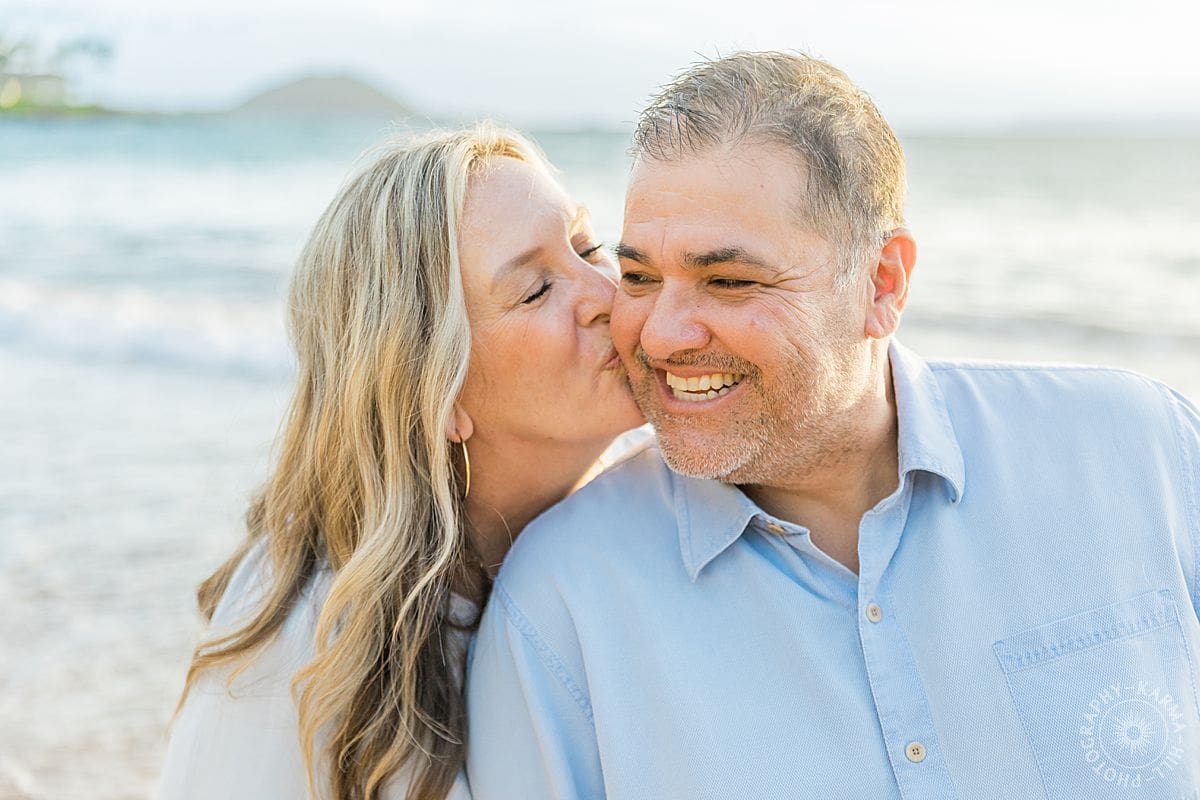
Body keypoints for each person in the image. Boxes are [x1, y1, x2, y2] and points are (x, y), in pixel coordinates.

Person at [466, 52, 1200, 798]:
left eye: (729, 281)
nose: (658, 336)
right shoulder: (561, 604)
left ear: (882, 283)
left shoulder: (1144, 452)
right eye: (640, 278)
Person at [158, 124, 645, 800]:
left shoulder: (661, 507)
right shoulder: (311, 651)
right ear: (437, 394)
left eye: (589, 247)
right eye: (537, 289)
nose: (607, 293)